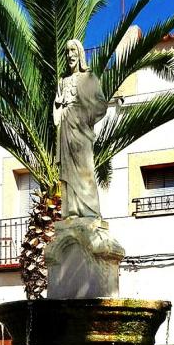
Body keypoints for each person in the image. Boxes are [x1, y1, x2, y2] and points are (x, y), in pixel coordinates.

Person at [53, 39, 108, 219]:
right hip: (65, 129)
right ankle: (72, 211)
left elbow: (101, 105)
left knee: (85, 169)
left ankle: (90, 211)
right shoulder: (62, 81)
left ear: (80, 54)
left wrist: (84, 117)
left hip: (81, 130)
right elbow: (58, 104)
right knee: (68, 171)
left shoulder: (88, 78)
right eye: (67, 52)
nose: (70, 55)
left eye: (73, 51)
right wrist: (60, 107)